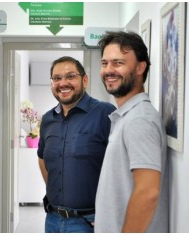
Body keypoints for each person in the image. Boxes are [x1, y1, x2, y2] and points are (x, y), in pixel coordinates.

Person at [94, 31, 169, 233]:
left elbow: (148, 191)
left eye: (118, 63)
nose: (108, 70)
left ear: (140, 67)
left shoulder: (139, 120)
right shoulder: (127, 116)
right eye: (104, 63)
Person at [37, 56, 116, 233]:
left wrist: (110, 216)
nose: (63, 83)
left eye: (70, 76)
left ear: (84, 80)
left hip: (90, 221)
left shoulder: (105, 114)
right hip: (52, 219)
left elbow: (122, 166)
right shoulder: (48, 119)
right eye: (57, 78)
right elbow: (42, 158)